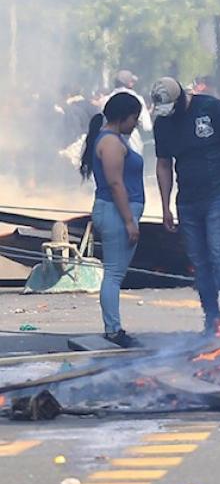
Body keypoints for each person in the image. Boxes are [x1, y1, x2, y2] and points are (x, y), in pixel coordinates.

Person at [151, 77, 220, 335]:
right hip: (187, 200)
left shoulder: (211, 108)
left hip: (219, 193)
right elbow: (164, 164)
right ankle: (211, 318)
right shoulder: (162, 123)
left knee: (219, 254)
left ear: (181, 97)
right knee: (200, 261)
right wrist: (165, 207)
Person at [80, 92, 146, 348]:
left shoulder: (114, 140)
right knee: (114, 274)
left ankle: (113, 328)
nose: (135, 124)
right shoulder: (110, 143)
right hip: (116, 212)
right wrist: (129, 221)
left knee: (115, 273)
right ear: (123, 116)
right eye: (134, 118)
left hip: (118, 211)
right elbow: (116, 183)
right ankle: (113, 330)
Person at [109, 70, 152, 154]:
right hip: (132, 145)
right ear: (129, 83)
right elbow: (147, 126)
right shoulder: (137, 99)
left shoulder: (106, 99)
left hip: (109, 145)